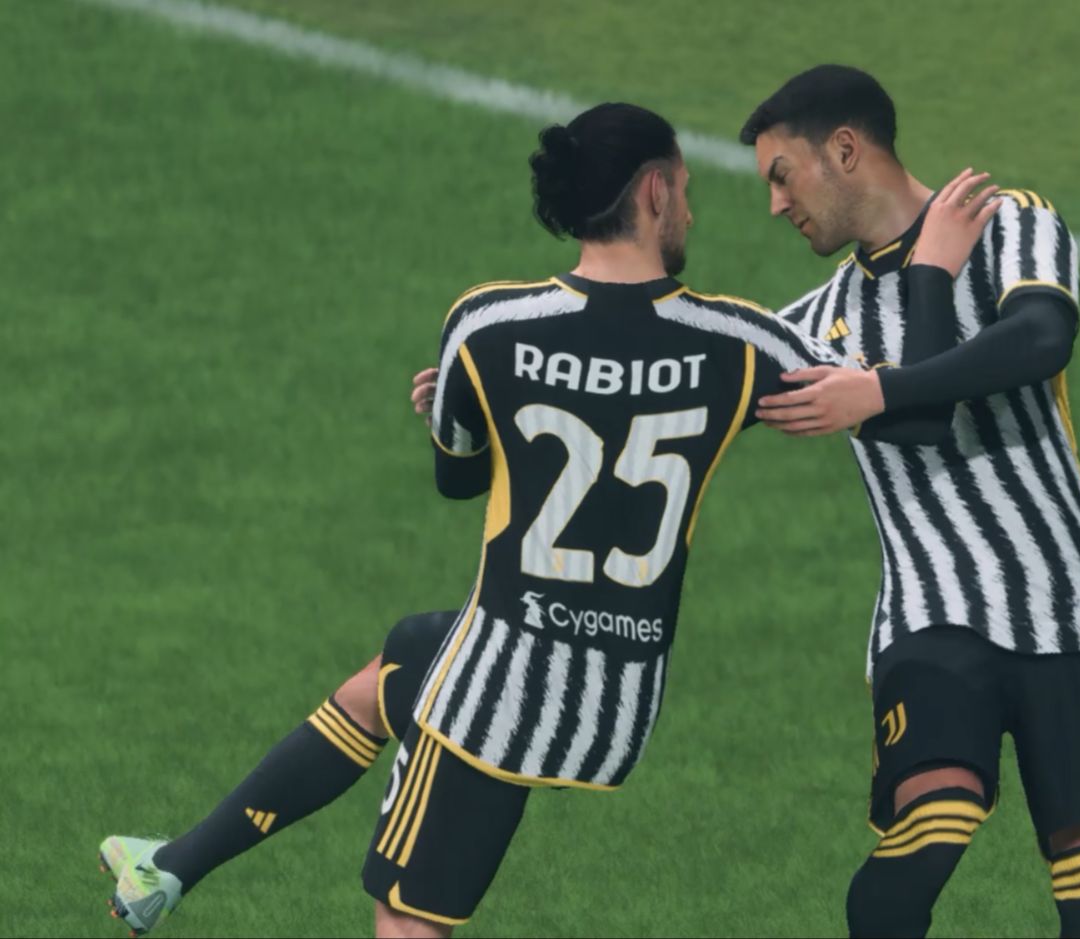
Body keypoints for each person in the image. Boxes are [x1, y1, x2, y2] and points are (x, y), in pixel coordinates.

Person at [100, 101, 998, 937]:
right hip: (616, 706)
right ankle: (170, 868)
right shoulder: (740, 342)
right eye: (685, 190)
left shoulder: (487, 325)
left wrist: (464, 413)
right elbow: (914, 414)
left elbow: (458, 479)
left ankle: (164, 876)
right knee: (404, 655)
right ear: (653, 192)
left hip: (496, 694)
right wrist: (928, 272)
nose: (690, 210)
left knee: (407, 918)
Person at [740, 65, 1080, 939]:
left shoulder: (1014, 222)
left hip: (1073, 610)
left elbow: (1041, 338)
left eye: (782, 176)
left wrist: (915, 308)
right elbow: (919, 425)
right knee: (935, 822)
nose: (776, 205)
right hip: (932, 610)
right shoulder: (809, 327)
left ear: (844, 150)